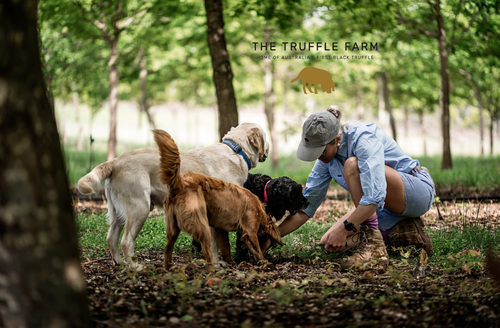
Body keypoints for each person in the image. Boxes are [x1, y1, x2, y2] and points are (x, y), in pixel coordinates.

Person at [264, 106, 435, 271]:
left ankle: (375, 249)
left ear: (337, 139)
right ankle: (406, 232)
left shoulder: (363, 137)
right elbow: (306, 208)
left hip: (415, 191)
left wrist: (344, 227)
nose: (318, 157)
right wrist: (272, 236)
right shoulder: (325, 160)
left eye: (321, 151)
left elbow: (375, 196)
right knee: (329, 242)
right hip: (383, 206)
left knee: (352, 164)